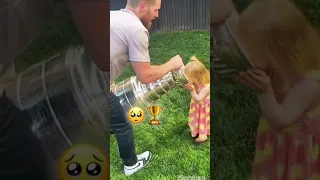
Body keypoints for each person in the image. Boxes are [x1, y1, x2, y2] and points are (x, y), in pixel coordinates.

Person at [236, 0, 320, 179]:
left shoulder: (309, 84)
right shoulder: (281, 68)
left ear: (276, 51)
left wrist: (265, 91)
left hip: (297, 148)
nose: (247, 55)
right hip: (282, 142)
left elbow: (281, 119)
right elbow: (282, 95)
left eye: (251, 50)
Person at [110, 0, 184, 176]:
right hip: (90, 85)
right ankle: (131, 165)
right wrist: (172, 64)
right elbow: (145, 76)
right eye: (156, 10)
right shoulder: (137, 29)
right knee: (123, 124)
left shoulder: (114, 16)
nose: (157, 15)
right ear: (143, 6)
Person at [183, 56, 210, 143]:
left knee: (202, 120)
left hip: (202, 108)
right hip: (197, 107)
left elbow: (198, 99)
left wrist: (192, 90)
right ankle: (195, 129)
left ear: (196, 77)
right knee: (195, 118)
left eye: (188, 78)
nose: (187, 79)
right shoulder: (196, 82)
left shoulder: (206, 87)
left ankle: (203, 136)